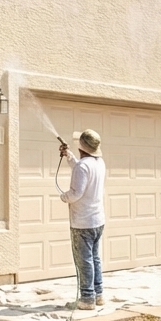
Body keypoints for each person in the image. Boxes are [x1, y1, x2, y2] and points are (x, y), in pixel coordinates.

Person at [60, 129, 106, 310]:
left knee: (84, 260)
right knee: (94, 258)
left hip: (82, 222)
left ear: (81, 146)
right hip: (97, 220)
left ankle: (87, 299)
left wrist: (64, 197)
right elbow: (82, 170)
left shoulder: (83, 166)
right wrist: (68, 156)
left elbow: (76, 193)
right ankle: (98, 294)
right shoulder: (99, 162)